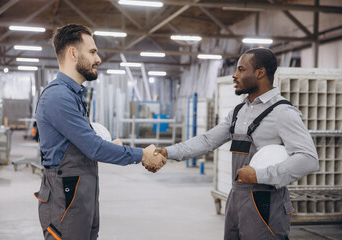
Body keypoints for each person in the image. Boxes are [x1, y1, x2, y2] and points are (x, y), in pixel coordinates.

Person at [155, 48, 319, 239]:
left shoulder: (283, 113)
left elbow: (309, 159)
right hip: (236, 197)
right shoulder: (239, 111)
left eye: (241, 69)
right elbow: (208, 140)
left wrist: (260, 175)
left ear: (260, 73)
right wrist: (168, 152)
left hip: (265, 202)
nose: (234, 75)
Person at [34, 24, 166, 240]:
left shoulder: (72, 95)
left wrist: (109, 146)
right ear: (73, 54)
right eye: (93, 52)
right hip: (66, 201)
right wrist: (142, 154)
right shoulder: (58, 97)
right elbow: (93, 148)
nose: (98, 59)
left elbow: (83, 143)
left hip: (80, 196)